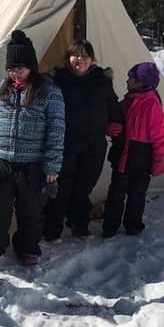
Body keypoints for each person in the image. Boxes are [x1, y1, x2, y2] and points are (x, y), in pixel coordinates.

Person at [0, 29, 65, 268]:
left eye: (20, 68)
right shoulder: (6, 88)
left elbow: (56, 130)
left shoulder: (48, 92)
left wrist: (52, 167)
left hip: (33, 163)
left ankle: (27, 247)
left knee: (30, 210)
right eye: (11, 68)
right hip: (3, 161)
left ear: (31, 66)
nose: (15, 73)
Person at [42, 40, 124, 241]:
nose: (80, 60)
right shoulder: (58, 80)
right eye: (76, 55)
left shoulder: (101, 81)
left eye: (85, 56)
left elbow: (113, 106)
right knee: (61, 187)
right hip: (65, 143)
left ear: (91, 58)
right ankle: (52, 229)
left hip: (93, 143)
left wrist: (115, 123)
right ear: (68, 58)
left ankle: (79, 224)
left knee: (84, 186)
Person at [101, 62, 164, 238]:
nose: (127, 80)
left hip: (142, 157)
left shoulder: (152, 104)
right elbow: (114, 119)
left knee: (137, 194)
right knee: (115, 192)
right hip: (122, 155)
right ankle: (110, 226)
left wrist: (158, 160)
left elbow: (160, 137)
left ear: (140, 82)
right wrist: (110, 127)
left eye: (131, 78)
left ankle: (133, 225)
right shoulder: (127, 101)